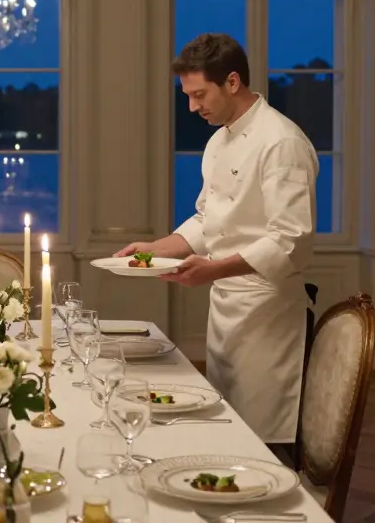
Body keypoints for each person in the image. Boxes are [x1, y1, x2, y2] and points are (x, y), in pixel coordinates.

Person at [116, 32, 317, 450]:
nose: (193, 107)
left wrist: (214, 269)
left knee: (262, 440)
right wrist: (155, 248)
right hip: (226, 309)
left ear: (231, 82)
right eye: (187, 95)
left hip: (267, 314)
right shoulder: (218, 139)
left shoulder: (282, 141)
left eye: (199, 94)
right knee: (226, 429)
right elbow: (209, 220)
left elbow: (291, 241)